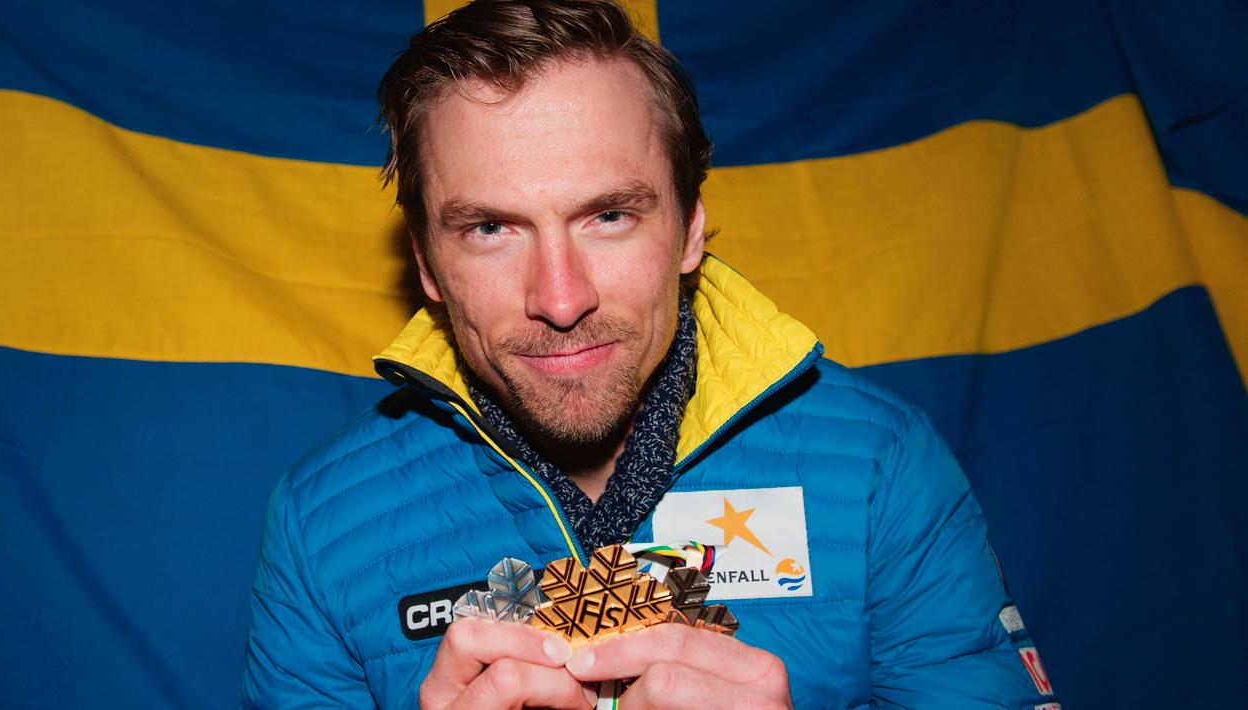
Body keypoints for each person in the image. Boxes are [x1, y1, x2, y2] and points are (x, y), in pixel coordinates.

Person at [240, 1, 1057, 708]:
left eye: (609, 216)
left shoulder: (879, 465)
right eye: (490, 228)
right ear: (426, 264)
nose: (561, 299)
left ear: (691, 227)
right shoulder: (323, 524)